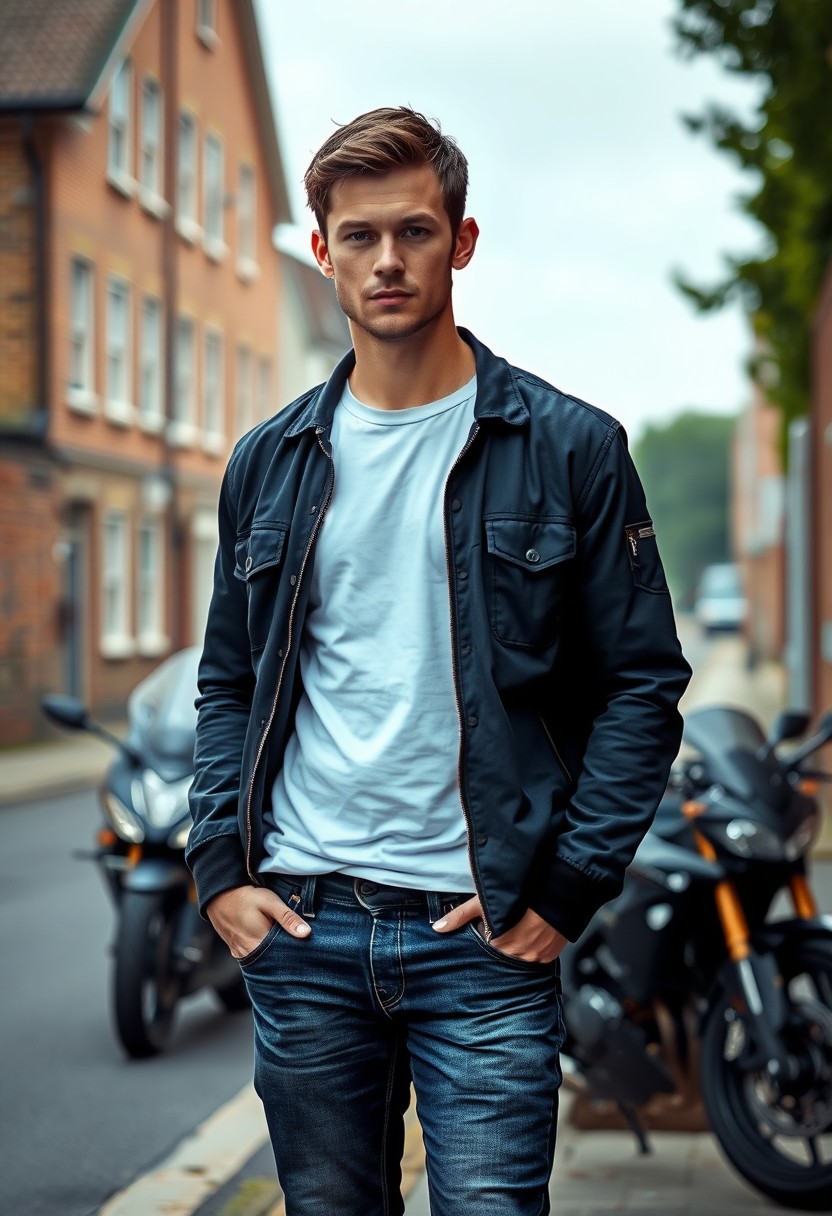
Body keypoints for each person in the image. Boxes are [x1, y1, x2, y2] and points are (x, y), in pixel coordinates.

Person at [186, 106, 692, 1216]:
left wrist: (564, 889)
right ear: (320, 251)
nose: (386, 261)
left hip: (485, 937)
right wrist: (220, 868)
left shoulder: (570, 449)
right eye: (357, 237)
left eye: (413, 232)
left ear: (460, 242)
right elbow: (227, 682)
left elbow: (642, 685)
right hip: (306, 927)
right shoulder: (267, 464)